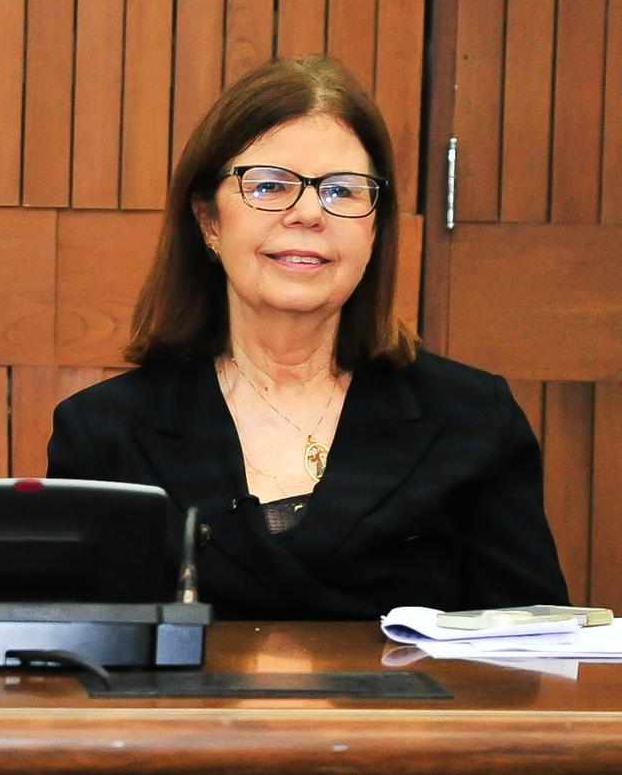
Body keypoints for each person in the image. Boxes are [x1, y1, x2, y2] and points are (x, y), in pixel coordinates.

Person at [46, 56, 568, 619]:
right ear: (209, 221)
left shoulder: (473, 420)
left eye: (342, 191)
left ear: (374, 228)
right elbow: (72, 653)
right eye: (270, 185)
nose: (309, 213)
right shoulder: (105, 433)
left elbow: (534, 647)